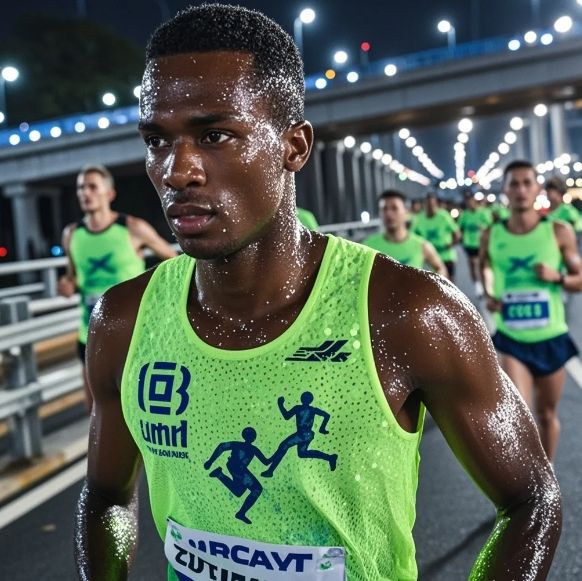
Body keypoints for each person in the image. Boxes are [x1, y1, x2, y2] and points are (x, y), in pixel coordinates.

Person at [75, 6, 561, 581]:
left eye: (214, 135)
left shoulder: (410, 313)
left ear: (294, 146)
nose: (177, 171)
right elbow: (106, 498)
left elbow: (531, 500)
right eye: (157, 140)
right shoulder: (122, 321)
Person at [480, 160, 582, 462]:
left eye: (527, 183)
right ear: (504, 190)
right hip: (512, 338)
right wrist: (490, 294)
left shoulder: (559, 231)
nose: (521, 190)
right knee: (520, 414)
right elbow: (485, 267)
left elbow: (579, 279)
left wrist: (558, 277)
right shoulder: (491, 234)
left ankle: (546, 475)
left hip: (550, 337)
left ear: (538, 189)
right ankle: (528, 480)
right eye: (514, 183)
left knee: (546, 414)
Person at [58, 164, 176, 410]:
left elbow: (173, 263)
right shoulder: (72, 234)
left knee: (134, 411)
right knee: (95, 412)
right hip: (89, 333)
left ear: (109, 194)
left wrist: (154, 295)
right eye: (81, 188)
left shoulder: (132, 228)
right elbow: (73, 276)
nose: (85, 193)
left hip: (133, 333)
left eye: (92, 187)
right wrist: (68, 284)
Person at [362, 189, 447, 276]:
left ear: (406, 212)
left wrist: (429, 284)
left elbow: (440, 268)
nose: (388, 213)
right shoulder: (368, 246)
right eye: (384, 209)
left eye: (394, 208)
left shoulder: (421, 245)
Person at [412, 192, 461, 281]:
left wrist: (450, 245)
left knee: (449, 284)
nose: (430, 207)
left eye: (432, 204)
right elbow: (412, 237)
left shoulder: (443, 216)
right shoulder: (419, 218)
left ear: (436, 204)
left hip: (446, 256)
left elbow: (457, 234)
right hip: (430, 259)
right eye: (428, 204)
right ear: (424, 205)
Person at [458, 194, 492, 297]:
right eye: (468, 202)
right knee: (472, 264)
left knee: (482, 264)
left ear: (474, 202)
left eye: (471, 202)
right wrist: (460, 237)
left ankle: (485, 284)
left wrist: (483, 229)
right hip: (469, 243)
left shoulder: (483, 213)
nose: (470, 204)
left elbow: (490, 226)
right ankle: (477, 284)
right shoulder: (464, 215)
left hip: (481, 243)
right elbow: (460, 228)